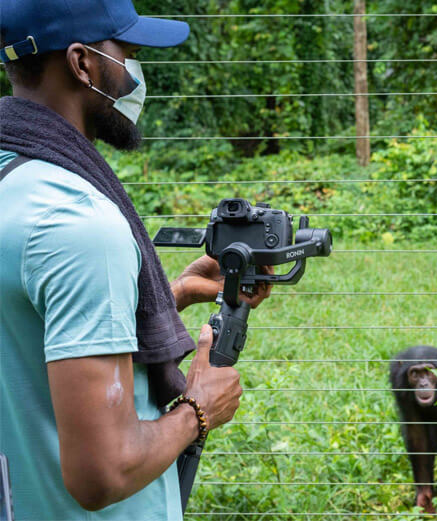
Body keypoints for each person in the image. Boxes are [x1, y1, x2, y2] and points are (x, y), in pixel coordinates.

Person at [0, 1, 271, 519]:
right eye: (128, 53)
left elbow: (26, 327)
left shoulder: (14, 180)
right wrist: (199, 408)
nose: (135, 73)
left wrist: (175, 295)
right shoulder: (79, 223)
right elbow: (103, 472)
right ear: (83, 64)